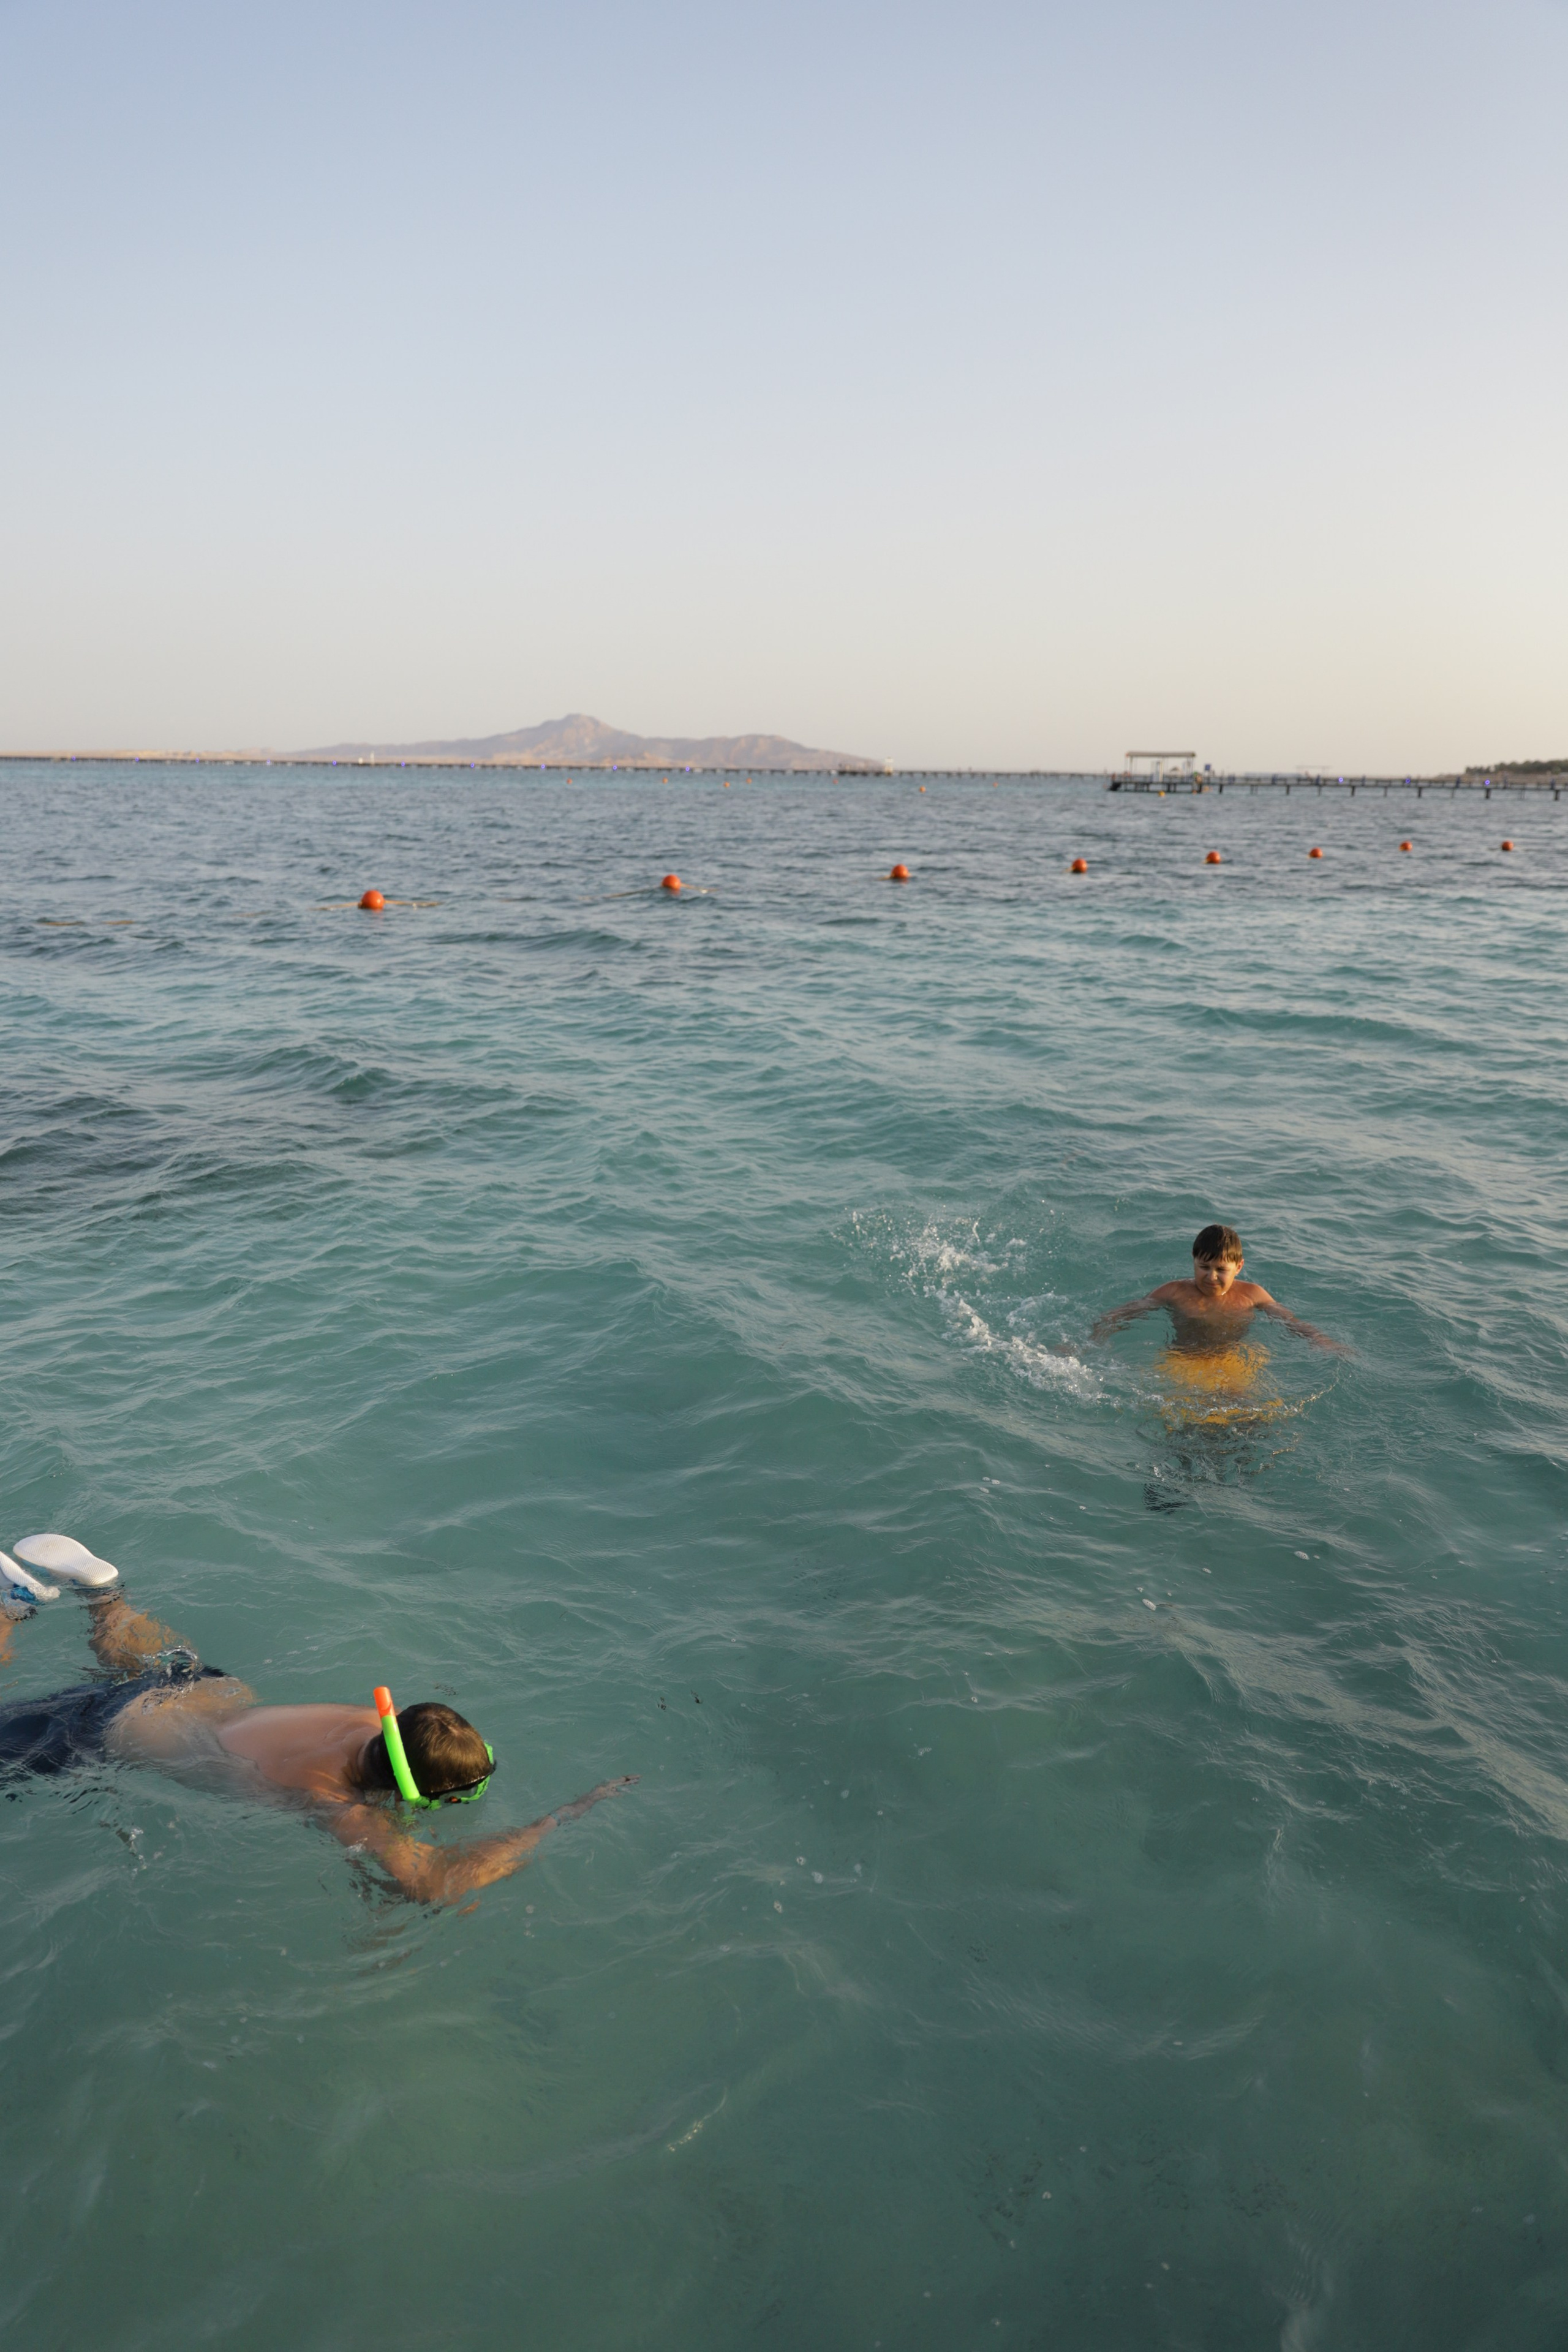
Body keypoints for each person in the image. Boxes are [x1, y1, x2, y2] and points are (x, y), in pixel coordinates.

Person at [0, 1577, 633, 1904]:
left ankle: (104, 1594)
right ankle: (6, 1612)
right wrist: (562, 1818)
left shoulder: (368, 1723)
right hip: (108, 1731)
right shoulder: (335, 1801)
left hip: (200, 1685)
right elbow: (431, 1884)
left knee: (130, 1656)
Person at [1065, 1223, 1349, 1358]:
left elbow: (1291, 1322)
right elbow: (1125, 1313)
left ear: (1238, 1267)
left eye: (1221, 1270)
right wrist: (1088, 1341)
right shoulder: (1174, 1292)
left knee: (1251, 1425)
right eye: (1203, 1267)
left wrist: (1321, 1340)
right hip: (1183, 1362)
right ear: (1193, 1260)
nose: (1211, 1277)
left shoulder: (1253, 1295)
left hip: (1231, 1363)